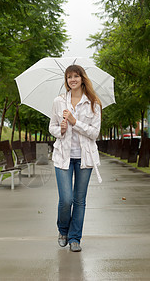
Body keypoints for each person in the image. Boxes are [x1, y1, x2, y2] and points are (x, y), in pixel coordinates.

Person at [49, 64, 102, 252]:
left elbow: (95, 133)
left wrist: (74, 122)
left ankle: (74, 238)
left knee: (80, 200)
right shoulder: (59, 101)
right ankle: (63, 230)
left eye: (76, 76)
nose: (72, 80)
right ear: (66, 80)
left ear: (82, 78)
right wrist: (60, 129)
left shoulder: (93, 102)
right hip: (63, 157)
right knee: (66, 199)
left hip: (84, 158)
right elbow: (52, 127)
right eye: (69, 77)